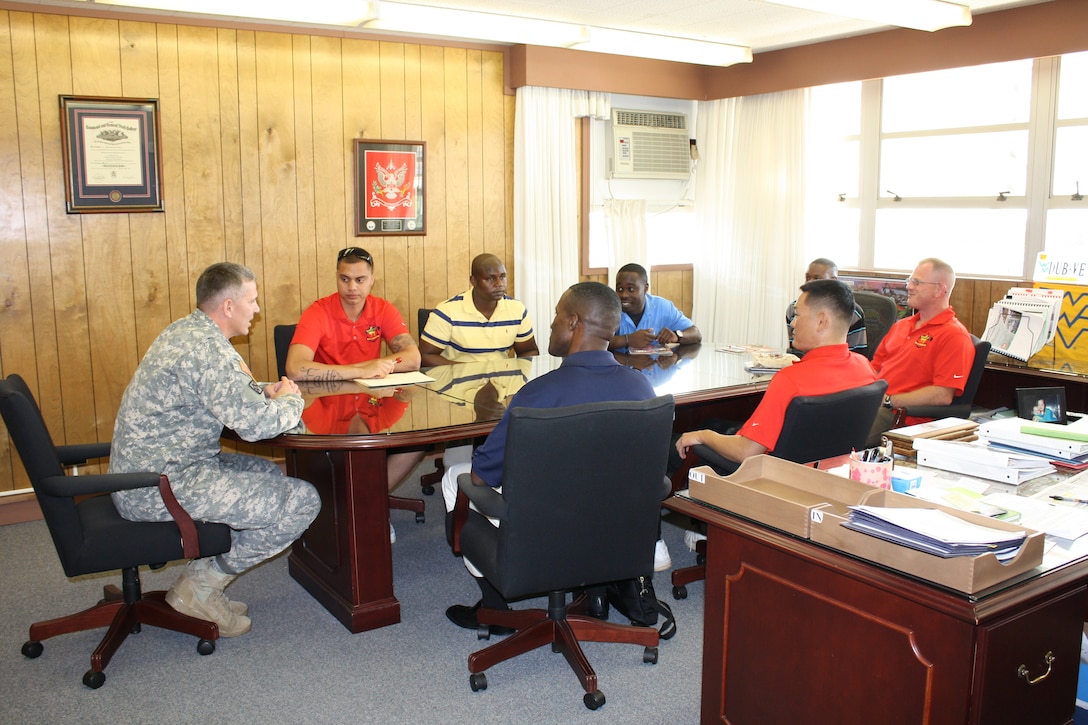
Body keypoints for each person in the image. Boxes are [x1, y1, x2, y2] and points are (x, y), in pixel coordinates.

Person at [109, 262, 321, 638]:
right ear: (227, 306)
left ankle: (198, 581)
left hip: (159, 469)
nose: (256, 311)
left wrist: (266, 390)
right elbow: (257, 427)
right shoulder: (208, 350)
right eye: (252, 302)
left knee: (270, 475)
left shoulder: (188, 332)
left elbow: (227, 393)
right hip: (157, 486)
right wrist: (290, 401)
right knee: (302, 500)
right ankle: (202, 587)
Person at [441, 281, 659, 635]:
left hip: (542, 543)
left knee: (456, 475)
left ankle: (494, 609)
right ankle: (594, 590)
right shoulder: (642, 387)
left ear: (574, 323)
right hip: (618, 539)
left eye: (557, 316)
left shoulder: (537, 394)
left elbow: (481, 478)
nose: (552, 326)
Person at [285, 247, 425, 540]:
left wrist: (382, 366)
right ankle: (364, 507)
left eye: (360, 280)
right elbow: (296, 368)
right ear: (336, 278)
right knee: (345, 452)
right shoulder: (318, 312)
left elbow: (412, 357)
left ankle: (364, 503)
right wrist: (362, 369)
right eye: (344, 279)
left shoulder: (382, 309)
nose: (352, 287)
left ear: (372, 279)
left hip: (371, 400)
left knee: (416, 442)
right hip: (325, 404)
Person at [675, 278, 877, 471]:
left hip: (775, 481)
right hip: (834, 475)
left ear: (821, 321)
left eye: (798, 315)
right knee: (712, 424)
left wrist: (703, 436)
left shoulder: (791, 380)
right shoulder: (866, 369)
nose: (793, 324)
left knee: (683, 440)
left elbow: (746, 452)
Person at [867, 258, 975, 444]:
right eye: (910, 280)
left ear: (940, 290)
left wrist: (888, 400)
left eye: (917, 282)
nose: (909, 286)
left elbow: (942, 395)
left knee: (836, 436)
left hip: (902, 417)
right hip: (873, 404)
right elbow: (873, 370)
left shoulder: (954, 336)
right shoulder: (900, 326)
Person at [419, 253, 538, 366]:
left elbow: (528, 352)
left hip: (503, 383)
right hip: (460, 383)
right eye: (491, 279)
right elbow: (426, 356)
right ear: (473, 281)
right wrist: (470, 372)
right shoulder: (447, 312)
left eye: (502, 277)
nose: (499, 284)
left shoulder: (517, 309)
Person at [608, 263, 701, 351]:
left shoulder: (663, 307)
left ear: (645, 288)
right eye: (620, 289)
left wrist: (677, 335)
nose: (624, 295)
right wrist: (627, 340)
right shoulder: (609, 308)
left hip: (655, 366)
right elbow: (595, 341)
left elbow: (696, 334)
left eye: (631, 289)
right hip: (620, 365)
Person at [785, 258, 867, 357]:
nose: (810, 283)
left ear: (834, 280)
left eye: (817, 278)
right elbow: (794, 349)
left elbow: (858, 353)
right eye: (807, 278)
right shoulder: (793, 309)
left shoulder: (853, 313)